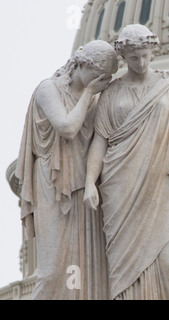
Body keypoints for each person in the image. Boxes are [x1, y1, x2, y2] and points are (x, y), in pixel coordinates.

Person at [84, 25, 169, 300]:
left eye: (145, 55)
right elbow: (100, 141)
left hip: (165, 182)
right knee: (122, 273)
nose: (141, 62)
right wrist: (90, 182)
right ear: (123, 56)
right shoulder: (111, 93)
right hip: (120, 187)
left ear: (153, 51)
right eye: (134, 57)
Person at [16, 40, 118, 300]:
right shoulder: (48, 89)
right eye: (98, 77)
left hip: (84, 183)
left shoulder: (96, 97)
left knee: (88, 266)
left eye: (105, 80)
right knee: (51, 271)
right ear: (81, 65)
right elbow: (67, 129)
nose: (101, 83)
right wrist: (88, 94)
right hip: (53, 179)